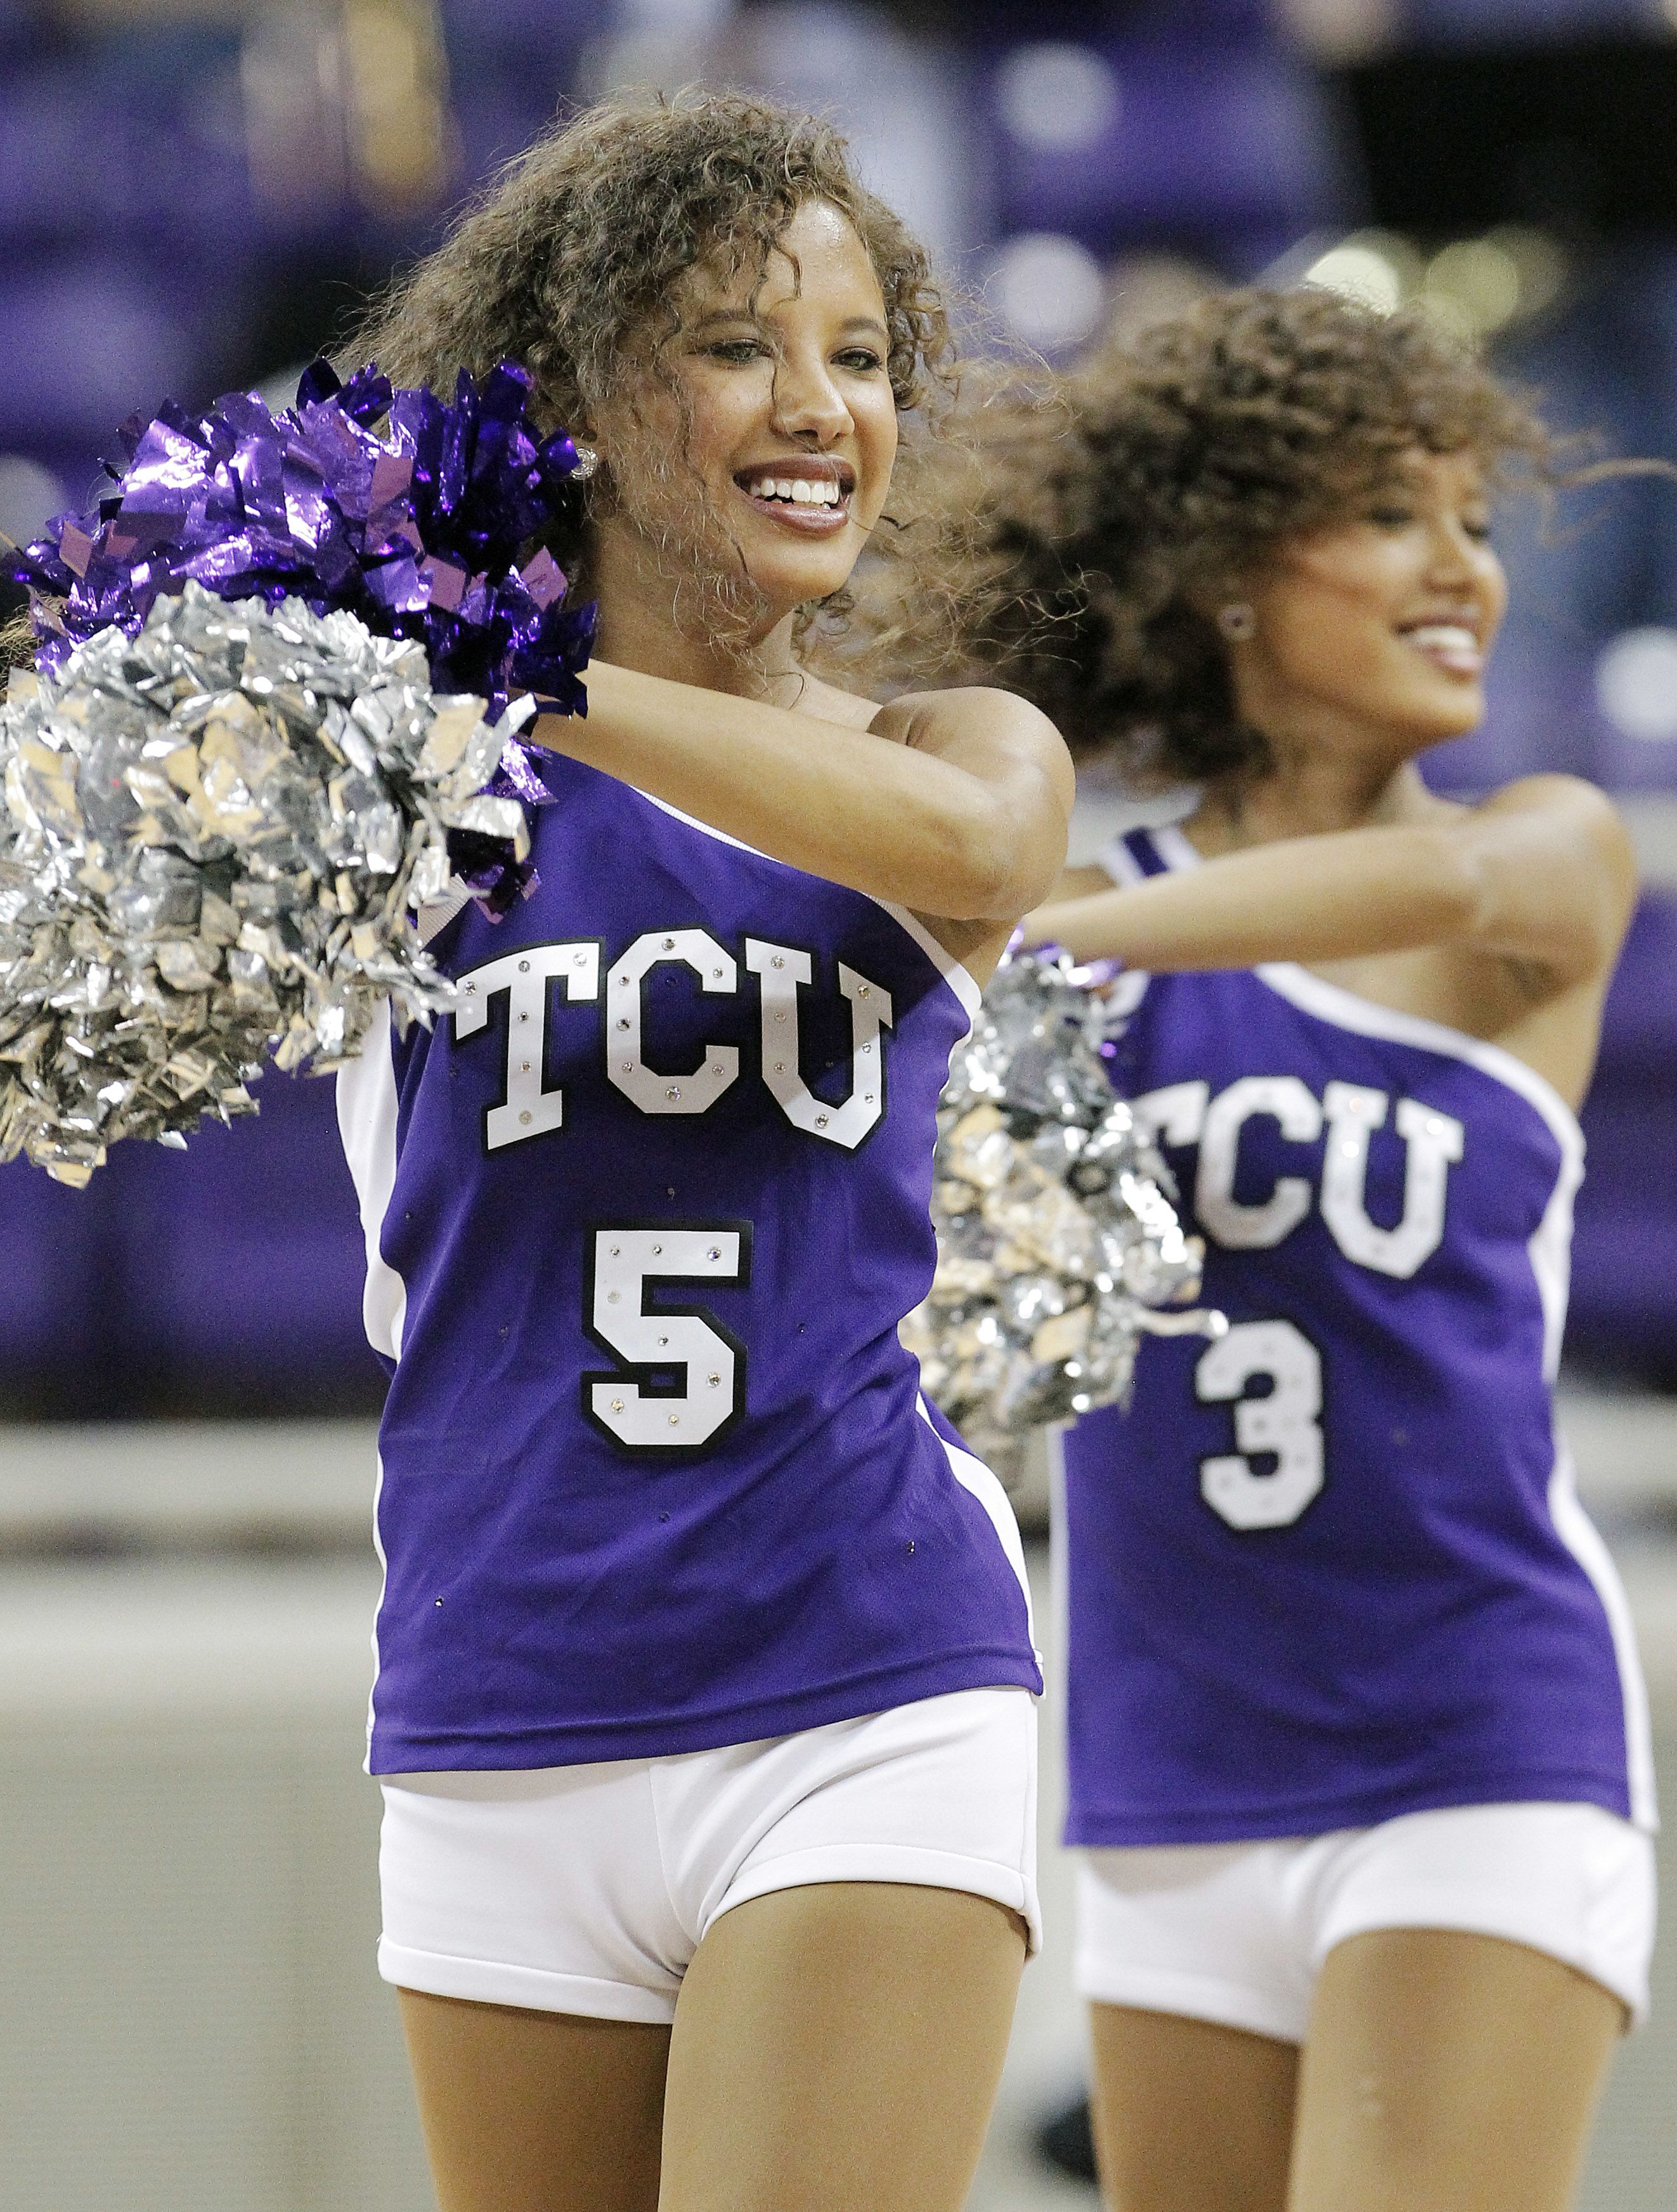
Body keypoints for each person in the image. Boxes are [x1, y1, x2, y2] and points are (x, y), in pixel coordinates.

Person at [332, 91, 1072, 2212]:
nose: (820, 406)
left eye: (859, 355)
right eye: (739, 345)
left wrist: (517, 675)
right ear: (565, 407)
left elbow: (991, 851)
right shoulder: (380, 783)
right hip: (495, 1688)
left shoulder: (941, 746)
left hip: (860, 1677)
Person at [960, 288, 1656, 2212]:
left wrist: (1037, 939)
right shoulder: (1088, 912)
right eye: (1389, 516)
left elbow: (1426, 881)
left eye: (1478, 523)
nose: (1464, 569)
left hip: (1477, 1744)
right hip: (1171, 1765)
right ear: (1228, 581)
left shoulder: (1545, 849)